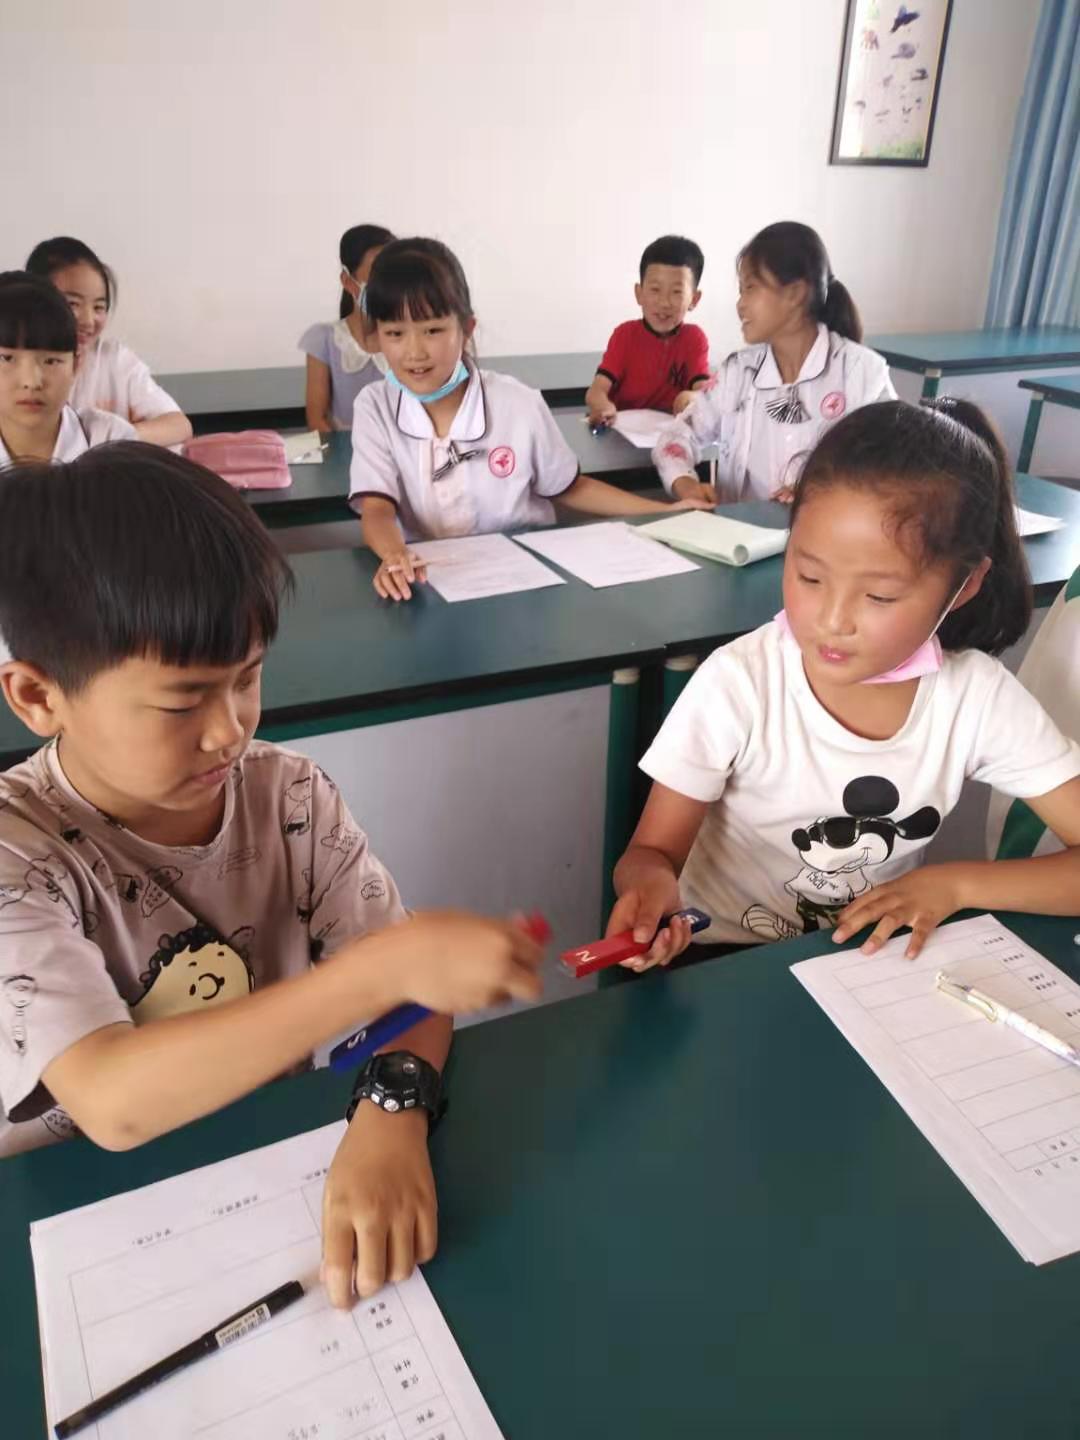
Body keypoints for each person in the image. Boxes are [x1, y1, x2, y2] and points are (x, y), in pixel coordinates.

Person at [0, 443, 545, 1308]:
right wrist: (382, 970)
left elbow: (413, 994)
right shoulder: (18, 850)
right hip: (72, 1223)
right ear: (38, 696)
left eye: (248, 679)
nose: (230, 731)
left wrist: (392, 1109)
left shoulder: (289, 796)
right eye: (183, 701)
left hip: (271, 1171)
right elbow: (111, 1099)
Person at [610, 399, 1080, 971]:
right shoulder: (740, 681)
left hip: (862, 964)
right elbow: (651, 851)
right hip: (719, 961)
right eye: (809, 576)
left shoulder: (976, 697)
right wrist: (649, 889)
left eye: (879, 596)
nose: (832, 620)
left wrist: (955, 885)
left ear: (964, 585)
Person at [349, 238, 706, 602]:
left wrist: (663, 510)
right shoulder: (374, 406)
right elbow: (377, 507)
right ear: (377, 336)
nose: (414, 352)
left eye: (432, 330)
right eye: (395, 333)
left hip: (523, 586)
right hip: (428, 583)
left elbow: (568, 486)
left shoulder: (516, 402)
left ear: (466, 328)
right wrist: (395, 556)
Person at [652, 222, 896, 505]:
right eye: (741, 291)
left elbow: (893, 467)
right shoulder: (738, 372)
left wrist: (820, 489)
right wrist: (685, 484)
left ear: (795, 293)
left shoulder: (860, 374)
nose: (740, 304)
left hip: (824, 532)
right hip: (739, 532)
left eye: (750, 288)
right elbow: (676, 436)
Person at [25, 237, 192, 448]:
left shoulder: (114, 359)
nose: (88, 321)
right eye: (73, 303)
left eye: (98, 307)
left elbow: (179, 425)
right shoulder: (16, 369)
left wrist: (114, 437)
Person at [0, 271, 134, 464]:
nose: (32, 382)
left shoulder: (111, 440)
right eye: (6, 358)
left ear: (76, 364)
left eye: (51, 361)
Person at [585, 234, 710, 427]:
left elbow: (704, 392)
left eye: (676, 292)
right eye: (655, 289)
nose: (664, 302)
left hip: (670, 436)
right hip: (622, 433)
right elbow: (596, 391)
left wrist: (693, 398)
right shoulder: (625, 335)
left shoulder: (694, 338)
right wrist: (603, 406)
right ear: (639, 293)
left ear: (694, 299)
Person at [299, 223, 395, 432]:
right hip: (344, 449)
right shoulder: (324, 339)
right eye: (377, 275)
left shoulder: (409, 338)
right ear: (348, 281)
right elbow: (317, 419)